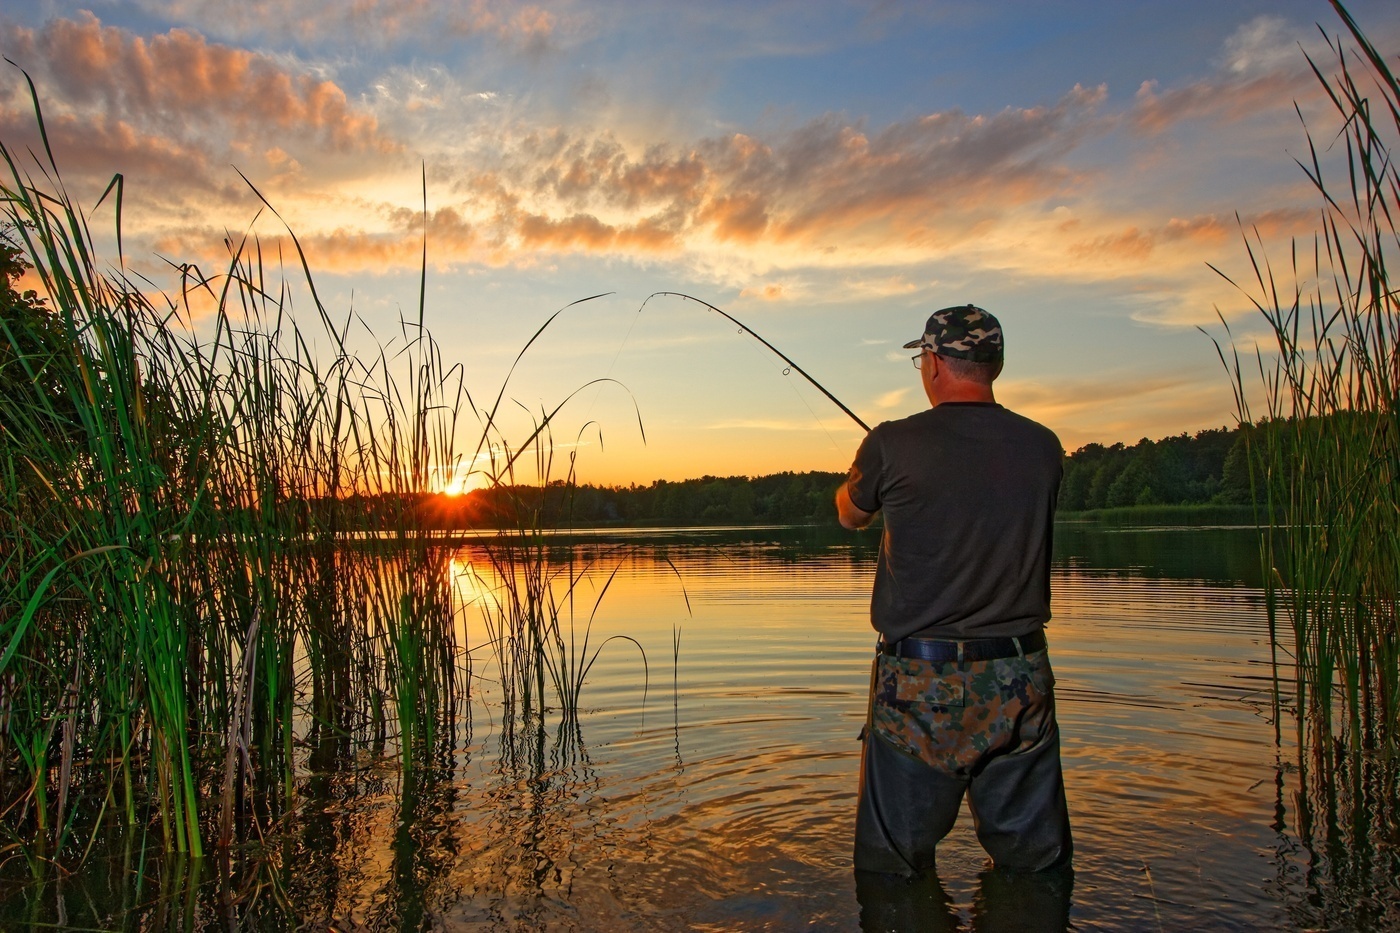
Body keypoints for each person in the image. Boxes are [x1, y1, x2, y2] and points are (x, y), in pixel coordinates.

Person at [835, 304, 1072, 877]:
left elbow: (850, 516)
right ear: (996, 363)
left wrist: (860, 475)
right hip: (1020, 674)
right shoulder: (1044, 445)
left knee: (893, 868)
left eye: (923, 358)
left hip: (920, 681)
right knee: (1036, 870)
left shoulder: (891, 442)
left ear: (935, 362)